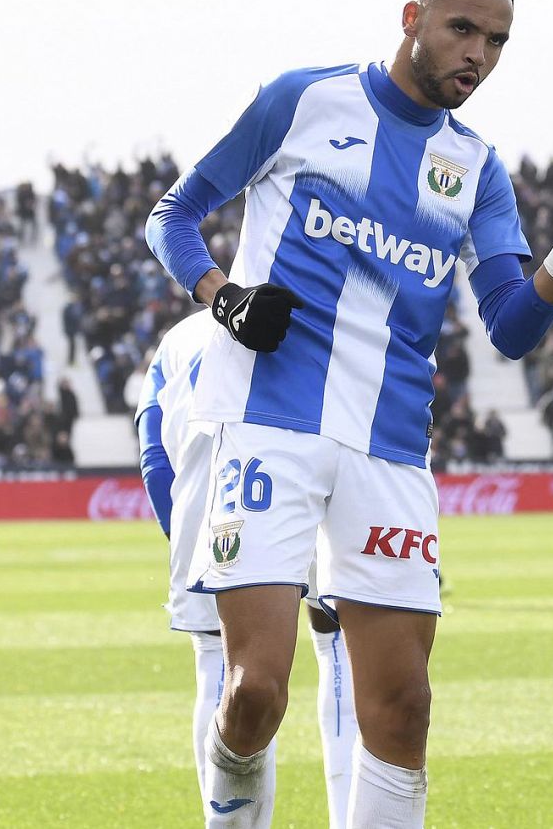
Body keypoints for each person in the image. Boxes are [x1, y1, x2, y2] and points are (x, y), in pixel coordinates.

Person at [145, 0, 553, 827]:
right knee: (257, 694)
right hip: (268, 422)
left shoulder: (473, 167)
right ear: (412, 19)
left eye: (498, 41)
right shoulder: (305, 100)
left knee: (402, 712)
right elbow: (170, 214)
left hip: (391, 446)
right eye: (462, 28)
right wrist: (223, 296)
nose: (478, 54)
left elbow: (511, 324)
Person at [136, 310, 360, 827]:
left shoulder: (178, 338)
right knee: (341, 644)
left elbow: (153, 451)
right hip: (323, 470)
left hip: (214, 491)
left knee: (220, 660)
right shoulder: (330, 313)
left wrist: (184, 536)